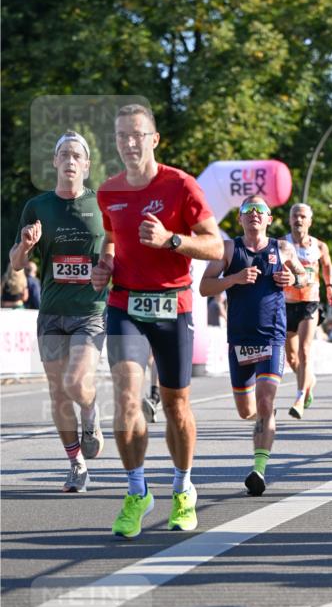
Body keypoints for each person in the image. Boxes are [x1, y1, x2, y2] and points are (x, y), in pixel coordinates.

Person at [92, 104, 222, 538]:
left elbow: (216, 245)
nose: (129, 143)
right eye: (121, 136)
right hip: (125, 303)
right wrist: (104, 265)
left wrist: (172, 241)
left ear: (154, 139)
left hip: (172, 305)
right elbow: (111, 240)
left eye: (137, 135)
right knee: (127, 398)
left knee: (175, 405)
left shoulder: (180, 185)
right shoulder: (108, 191)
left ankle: (183, 488)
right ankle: (137, 492)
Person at [10, 130, 109, 492]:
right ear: (54, 161)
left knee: (76, 383)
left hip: (91, 312)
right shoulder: (38, 206)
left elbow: (120, 252)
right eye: (63, 154)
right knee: (57, 393)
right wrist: (25, 245)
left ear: (86, 165)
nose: (69, 160)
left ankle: (91, 413)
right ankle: (76, 464)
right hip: (51, 313)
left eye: (76, 155)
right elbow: (16, 263)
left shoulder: (102, 205)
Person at [200, 195, 305, 495]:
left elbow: (304, 276)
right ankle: (265, 419)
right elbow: (204, 286)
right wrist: (234, 278)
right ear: (240, 218)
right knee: (246, 410)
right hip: (240, 340)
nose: (254, 214)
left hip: (272, 337)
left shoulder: (283, 249)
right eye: (248, 209)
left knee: (265, 401)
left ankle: (258, 469)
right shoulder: (228, 249)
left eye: (260, 210)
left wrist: (292, 278)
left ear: (269, 219)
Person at [281, 203, 332, 420]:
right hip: (287, 303)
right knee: (291, 357)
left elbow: (327, 265)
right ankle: (309, 381)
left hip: (310, 302)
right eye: (295, 216)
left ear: (310, 221)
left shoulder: (319, 246)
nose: (299, 220)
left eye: (303, 216)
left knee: (304, 350)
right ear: (289, 220)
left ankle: (299, 397)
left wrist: (329, 286)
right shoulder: (282, 244)